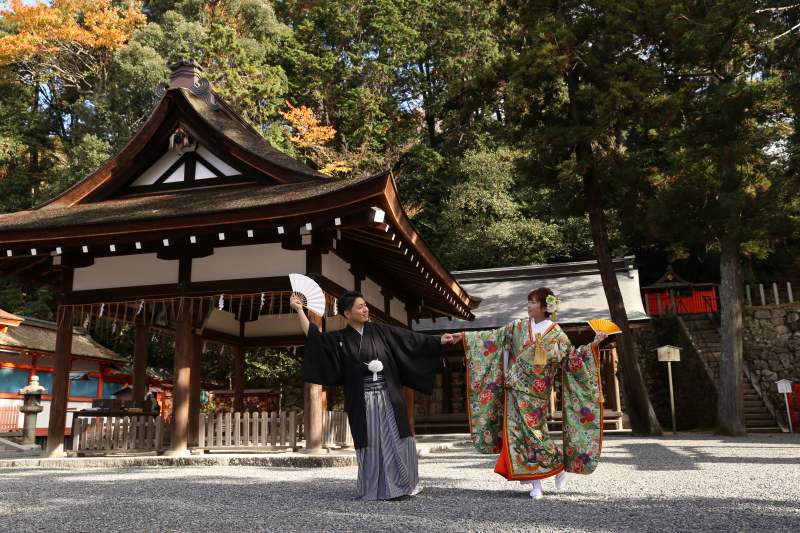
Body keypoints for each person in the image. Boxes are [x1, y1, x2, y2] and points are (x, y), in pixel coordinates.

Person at [290, 290, 457, 500]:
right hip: (363, 399)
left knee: (397, 437)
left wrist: (438, 340)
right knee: (370, 442)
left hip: (388, 395)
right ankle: (373, 489)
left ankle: (406, 485)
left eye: (365, 305)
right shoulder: (340, 338)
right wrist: (299, 310)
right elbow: (315, 338)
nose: (365, 309)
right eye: (360, 307)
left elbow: (409, 339)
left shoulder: (381, 331)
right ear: (347, 314)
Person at [459, 287, 607, 499]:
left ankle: (558, 465)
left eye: (533, 302)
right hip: (514, 389)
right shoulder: (518, 326)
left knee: (536, 434)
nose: (528, 306)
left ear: (546, 307)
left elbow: (572, 360)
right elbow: (493, 337)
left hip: (537, 392)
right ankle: (536, 483)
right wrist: (462, 337)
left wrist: (594, 344)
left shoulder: (556, 334)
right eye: (528, 302)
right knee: (518, 435)